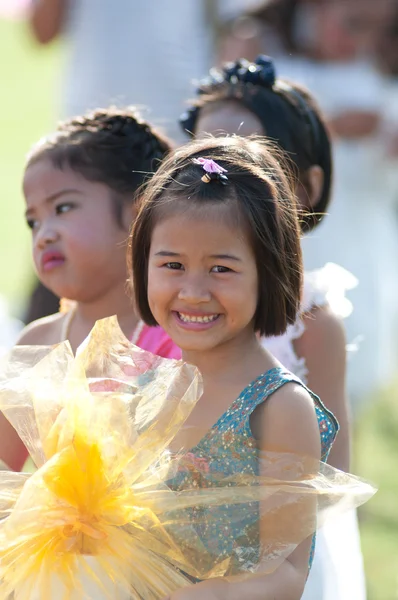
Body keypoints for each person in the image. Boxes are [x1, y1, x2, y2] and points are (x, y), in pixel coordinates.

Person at [179, 55, 365, 600]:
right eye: (203, 154)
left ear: (305, 187)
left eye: (246, 158)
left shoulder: (311, 318)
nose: (223, 178)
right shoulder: (181, 298)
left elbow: (334, 467)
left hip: (277, 547)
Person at [129, 135, 339, 599]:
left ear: (270, 271)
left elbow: (286, 570)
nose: (194, 291)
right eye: (172, 265)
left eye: (221, 269)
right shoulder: (145, 386)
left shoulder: (279, 407)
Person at [0, 107, 180, 473]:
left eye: (63, 207)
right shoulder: (37, 344)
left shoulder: (176, 335)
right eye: (33, 220)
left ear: (139, 211)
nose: (44, 232)